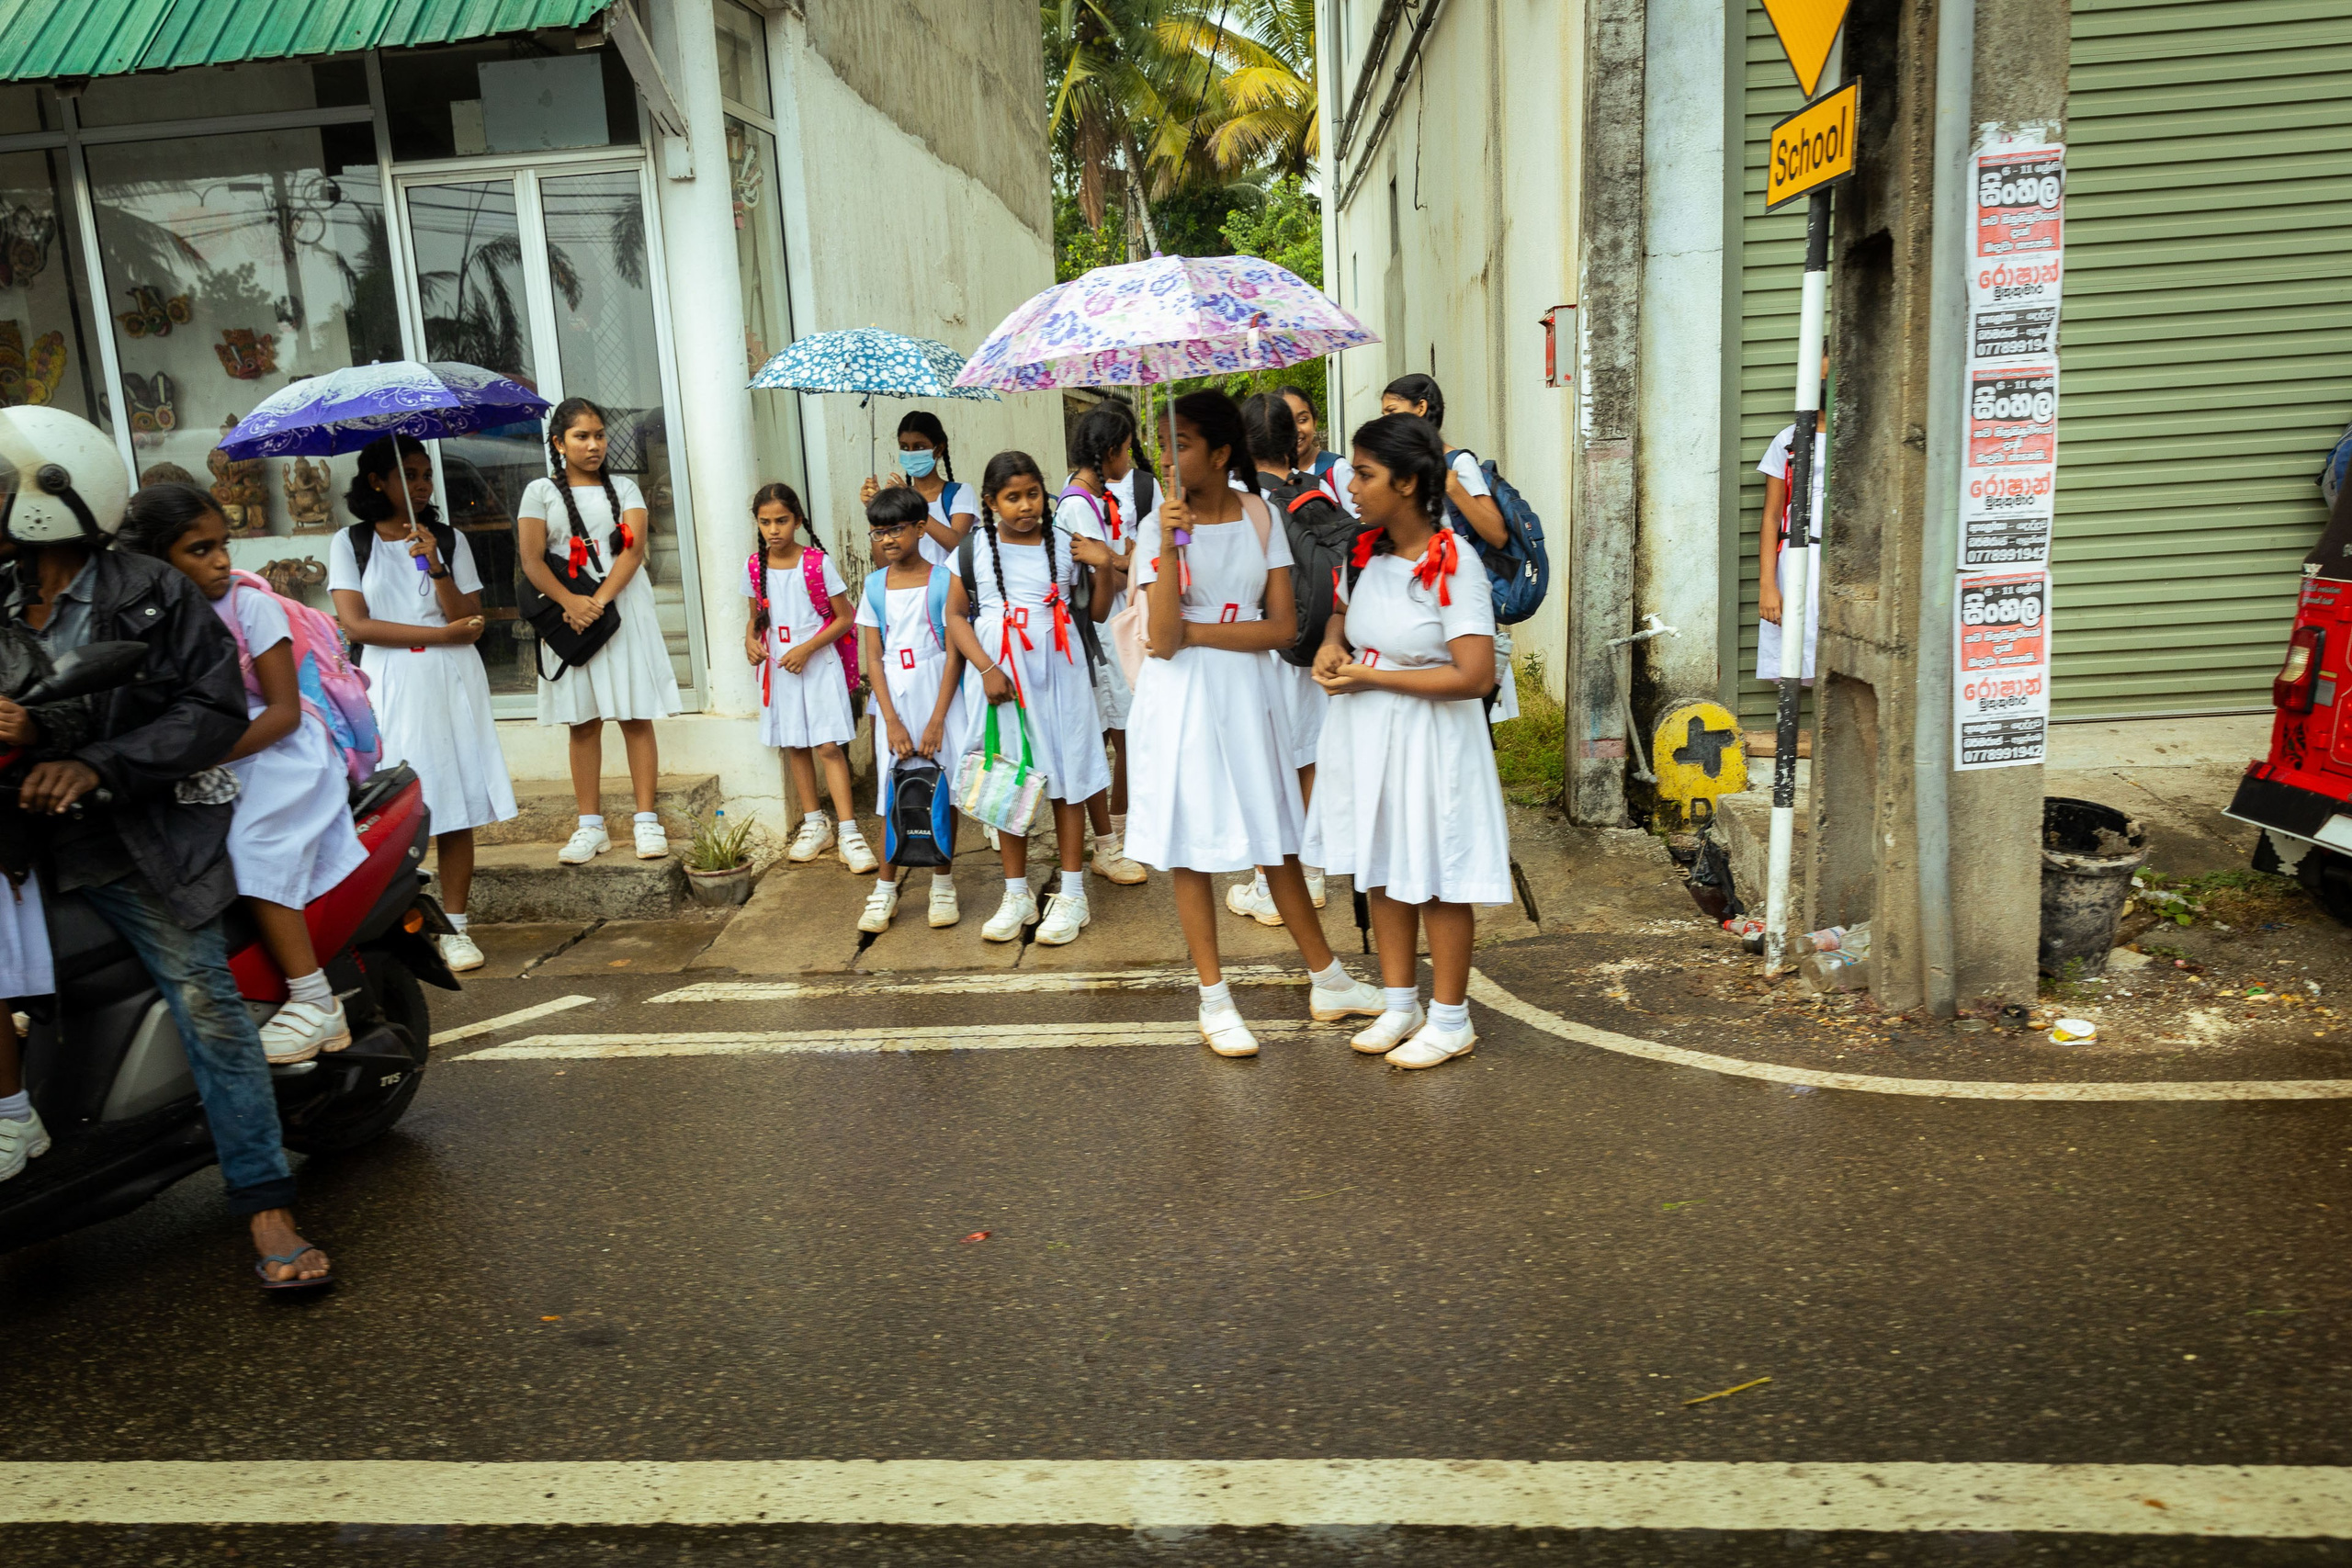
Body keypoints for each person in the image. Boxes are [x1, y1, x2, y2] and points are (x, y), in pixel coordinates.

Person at [0, 405, 331, 1283]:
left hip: (128, 836)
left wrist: (93, 761)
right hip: (18, 836)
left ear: (49, 494)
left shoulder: (149, 590)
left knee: (206, 1001)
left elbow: (213, 710)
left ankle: (265, 1202)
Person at [1125, 391, 1385, 1059]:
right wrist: (1166, 545)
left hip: (1248, 688)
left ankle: (1326, 977)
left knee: (1275, 834)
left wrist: (1201, 630)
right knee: (1190, 843)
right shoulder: (1158, 524)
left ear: (1218, 451)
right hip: (1181, 700)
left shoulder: (1258, 513)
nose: (1168, 455)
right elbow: (1159, 639)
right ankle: (1214, 999)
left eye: (1180, 442)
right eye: (1162, 443)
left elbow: (1280, 626)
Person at [123, 484, 367, 1063]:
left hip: (278, 750)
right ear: (157, 558)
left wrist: (198, 756)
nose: (221, 561)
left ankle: (314, 999)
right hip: (195, 751)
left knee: (250, 842)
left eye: (222, 545)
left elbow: (283, 712)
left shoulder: (248, 605)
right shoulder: (144, 615)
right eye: (199, 550)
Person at [1306, 413, 1510, 1070]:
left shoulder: (1454, 563)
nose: (1353, 484)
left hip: (1432, 739)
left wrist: (1373, 675)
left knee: (1440, 876)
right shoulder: (1365, 553)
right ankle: (1402, 1003)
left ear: (1408, 480)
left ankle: (1452, 1018)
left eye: (1365, 474)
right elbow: (1343, 618)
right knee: (1385, 865)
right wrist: (1333, 648)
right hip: (1371, 733)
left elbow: (1475, 674)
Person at [327, 434, 515, 974]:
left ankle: (456, 926)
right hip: (387, 681)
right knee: (393, 802)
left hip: (450, 680)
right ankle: (398, 917)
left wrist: (435, 565)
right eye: (408, 474)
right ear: (376, 482)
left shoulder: (449, 539)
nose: (421, 484)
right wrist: (439, 634)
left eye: (424, 473)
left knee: (455, 801)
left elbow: (470, 619)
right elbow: (357, 624)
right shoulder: (351, 542)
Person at [943, 451, 1116, 946]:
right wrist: (986, 667)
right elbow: (957, 616)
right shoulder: (973, 550)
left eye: (1033, 493)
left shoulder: (1067, 545)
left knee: (1068, 779)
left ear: (1045, 492)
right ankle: (1016, 893)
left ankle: (1074, 895)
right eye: (1012, 497)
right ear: (992, 502)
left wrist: (1104, 566)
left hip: (1060, 676)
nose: (1025, 506)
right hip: (1003, 680)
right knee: (1008, 781)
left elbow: (1099, 613)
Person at [520, 396, 682, 866]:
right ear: (559, 442)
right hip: (567, 610)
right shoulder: (540, 493)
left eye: (599, 435)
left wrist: (598, 602)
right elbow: (532, 559)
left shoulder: (626, 489)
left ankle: (646, 821)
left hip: (621, 606)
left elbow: (631, 551)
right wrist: (572, 602)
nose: (593, 445)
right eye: (581, 436)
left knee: (635, 714)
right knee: (583, 720)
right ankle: (590, 826)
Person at [1223, 391, 1340, 926]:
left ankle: (1272, 883)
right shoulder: (1315, 493)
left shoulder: (1236, 506)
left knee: (1265, 764)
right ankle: (1312, 870)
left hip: (1260, 648)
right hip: (1314, 648)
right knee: (1308, 756)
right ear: (1292, 442)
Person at [854, 486, 967, 931]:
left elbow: (955, 653)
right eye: (878, 533)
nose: (887, 540)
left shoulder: (944, 580)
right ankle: (885, 889)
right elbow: (873, 659)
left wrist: (938, 719)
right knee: (892, 790)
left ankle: (943, 882)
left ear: (921, 528)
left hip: (938, 689)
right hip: (894, 696)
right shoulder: (874, 586)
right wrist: (891, 720)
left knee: (943, 786)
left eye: (896, 530)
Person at [743, 482, 873, 872]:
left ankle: (849, 831)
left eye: (781, 520)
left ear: (797, 520)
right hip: (781, 667)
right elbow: (755, 618)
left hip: (816, 663)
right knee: (794, 744)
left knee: (828, 746)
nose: (774, 529)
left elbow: (845, 618)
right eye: (765, 522)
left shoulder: (817, 563)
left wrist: (807, 649)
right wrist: (749, 641)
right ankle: (815, 824)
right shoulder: (755, 566)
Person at [1379, 373, 1520, 724]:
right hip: (1419, 604)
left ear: (1421, 408)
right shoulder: (1403, 468)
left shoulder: (1458, 463)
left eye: (1392, 411)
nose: (1387, 421)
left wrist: (1453, 488)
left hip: (1455, 602)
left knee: (1466, 706)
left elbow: (1496, 533)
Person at [1059, 403, 1145, 886]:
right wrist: (1118, 561)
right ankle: (1108, 844)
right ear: (1109, 451)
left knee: (1125, 736)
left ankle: (1118, 831)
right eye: (1128, 449)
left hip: (1112, 631)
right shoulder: (1077, 504)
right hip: (1097, 635)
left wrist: (1118, 559)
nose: (1130, 460)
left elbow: (1117, 559)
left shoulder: (1098, 500)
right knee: (1107, 741)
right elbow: (1101, 578)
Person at [1757, 354, 1829, 692]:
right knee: (1796, 658)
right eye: (1819, 380)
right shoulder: (1788, 440)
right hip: (1798, 558)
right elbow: (1772, 516)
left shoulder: (1863, 438)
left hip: (1842, 561)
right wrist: (1767, 586)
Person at [860, 411, 978, 569]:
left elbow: (958, 545)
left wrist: (913, 504)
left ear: (938, 449)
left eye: (919, 447)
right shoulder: (899, 501)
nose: (910, 454)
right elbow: (884, 565)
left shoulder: (960, 493)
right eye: (904, 447)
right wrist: (874, 509)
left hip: (951, 590)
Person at [1278, 384, 1354, 517]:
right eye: (1286, 423)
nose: (1296, 430)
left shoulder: (1336, 469)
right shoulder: (1269, 475)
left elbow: (1359, 525)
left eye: (1302, 420)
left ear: (1315, 422)